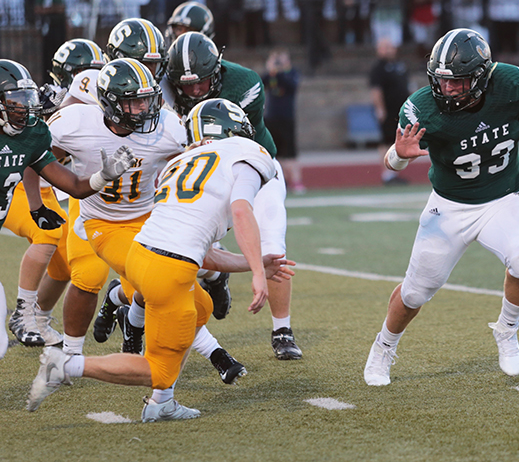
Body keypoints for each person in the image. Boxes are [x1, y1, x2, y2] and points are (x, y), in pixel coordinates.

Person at [27, 98, 295, 421]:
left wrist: (255, 265)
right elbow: (241, 210)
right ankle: (67, 365)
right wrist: (256, 271)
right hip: (169, 269)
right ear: (236, 131)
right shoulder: (248, 154)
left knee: (201, 308)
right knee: (157, 369)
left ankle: (161, 401)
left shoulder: (180, 164)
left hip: (142, 253)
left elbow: (203, 251)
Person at [363, 28, 519, 386]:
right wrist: (399, 156)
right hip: (450, 206)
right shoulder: (421, 107)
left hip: (504, 197)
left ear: (482, 77)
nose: (448, 88)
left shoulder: (508, 81)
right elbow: (390, 162)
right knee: (415, 292)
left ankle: (506, 329)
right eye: (442, 80)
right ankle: (383, 347)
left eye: (457, 81)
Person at [164, 30, 302, 361]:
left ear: (218, 69)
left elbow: (236, 144)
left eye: (201, 81)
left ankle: (282, 329)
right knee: (176, 246)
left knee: (271, 245)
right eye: (186, 85)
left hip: (252, 168)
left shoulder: (245, 84)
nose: (194, 90)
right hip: (198, 177)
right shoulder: (164, 89)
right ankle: (209, 275)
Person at [0, 59, 135, 348]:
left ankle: (35, 317)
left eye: (26, 99)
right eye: (15, 101)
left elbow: (73, 185)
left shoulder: (30, 135)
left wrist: (102, 176)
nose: (23, 108)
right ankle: (26, 315)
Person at [369, 38, 411, 186]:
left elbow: (407, 86)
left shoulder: (400, 65)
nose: (389, 50)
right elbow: (376, 90)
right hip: (389, 111)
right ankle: (387, 174)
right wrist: (380, 109)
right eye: (385, 47)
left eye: (391, 47)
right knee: (387, 141)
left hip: (403, 110)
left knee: (400, 142)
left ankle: (395, 173)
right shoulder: (378, 69)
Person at [264, 49, 303, 192]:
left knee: (291, 152)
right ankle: (282, 180)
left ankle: (296, 181)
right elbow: (262, 83)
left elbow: (291, 85)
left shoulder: (292, 73)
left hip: (287, 117)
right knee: (275, 152)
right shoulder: (271, 75)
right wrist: (270, 69)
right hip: (272, 117)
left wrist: (279, 71)